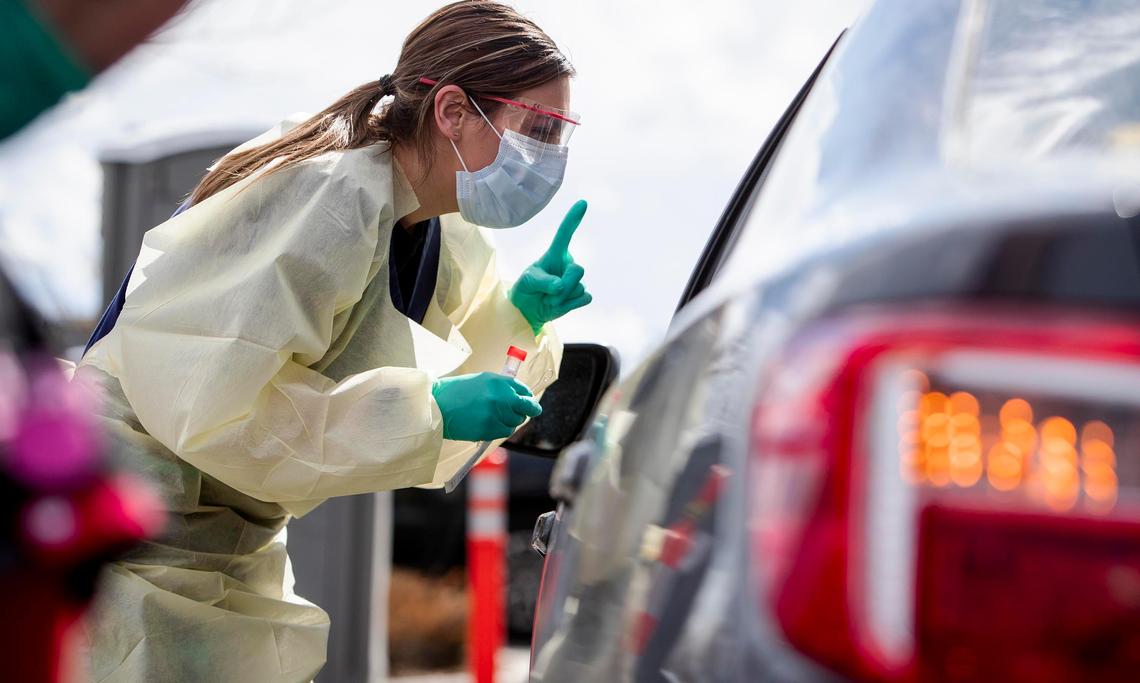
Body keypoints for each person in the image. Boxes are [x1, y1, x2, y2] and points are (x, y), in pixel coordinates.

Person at [76, 1, 591, 680]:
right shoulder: (331, 197)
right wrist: (428, 411)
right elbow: (215, 405)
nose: (549, 159)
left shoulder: (446, 233)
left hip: (220, 547)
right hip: (127, 537)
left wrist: (519, 317)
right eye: (538, 130)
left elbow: (463, 372)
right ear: (454, 112)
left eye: (562, 134)